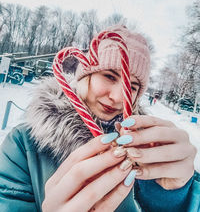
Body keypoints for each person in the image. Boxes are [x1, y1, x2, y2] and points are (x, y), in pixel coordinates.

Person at [0, 25, 199, 212]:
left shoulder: (148, 148)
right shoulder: (22, 146)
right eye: (109, 76)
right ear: (84, 76)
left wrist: (177, 194)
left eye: (132, 87)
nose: (118, 97)